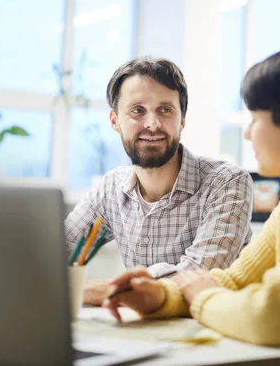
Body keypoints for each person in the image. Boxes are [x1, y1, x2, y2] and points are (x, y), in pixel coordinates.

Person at [104, 47, 280, 366]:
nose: (247, 133)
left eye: (255, 120)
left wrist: (204, 298)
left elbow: (277, 317)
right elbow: (236, 280)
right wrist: (161, 296)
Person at [66, 57, 253, 305]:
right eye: (137, 111)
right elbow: (54, 256)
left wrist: (107, 290)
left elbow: (197, 278)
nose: (152, 124)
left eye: (165, 110)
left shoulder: (227, 183)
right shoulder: (111, 188)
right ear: (114, 121)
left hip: (211, 333)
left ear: (182, 120)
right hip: (141, 334)